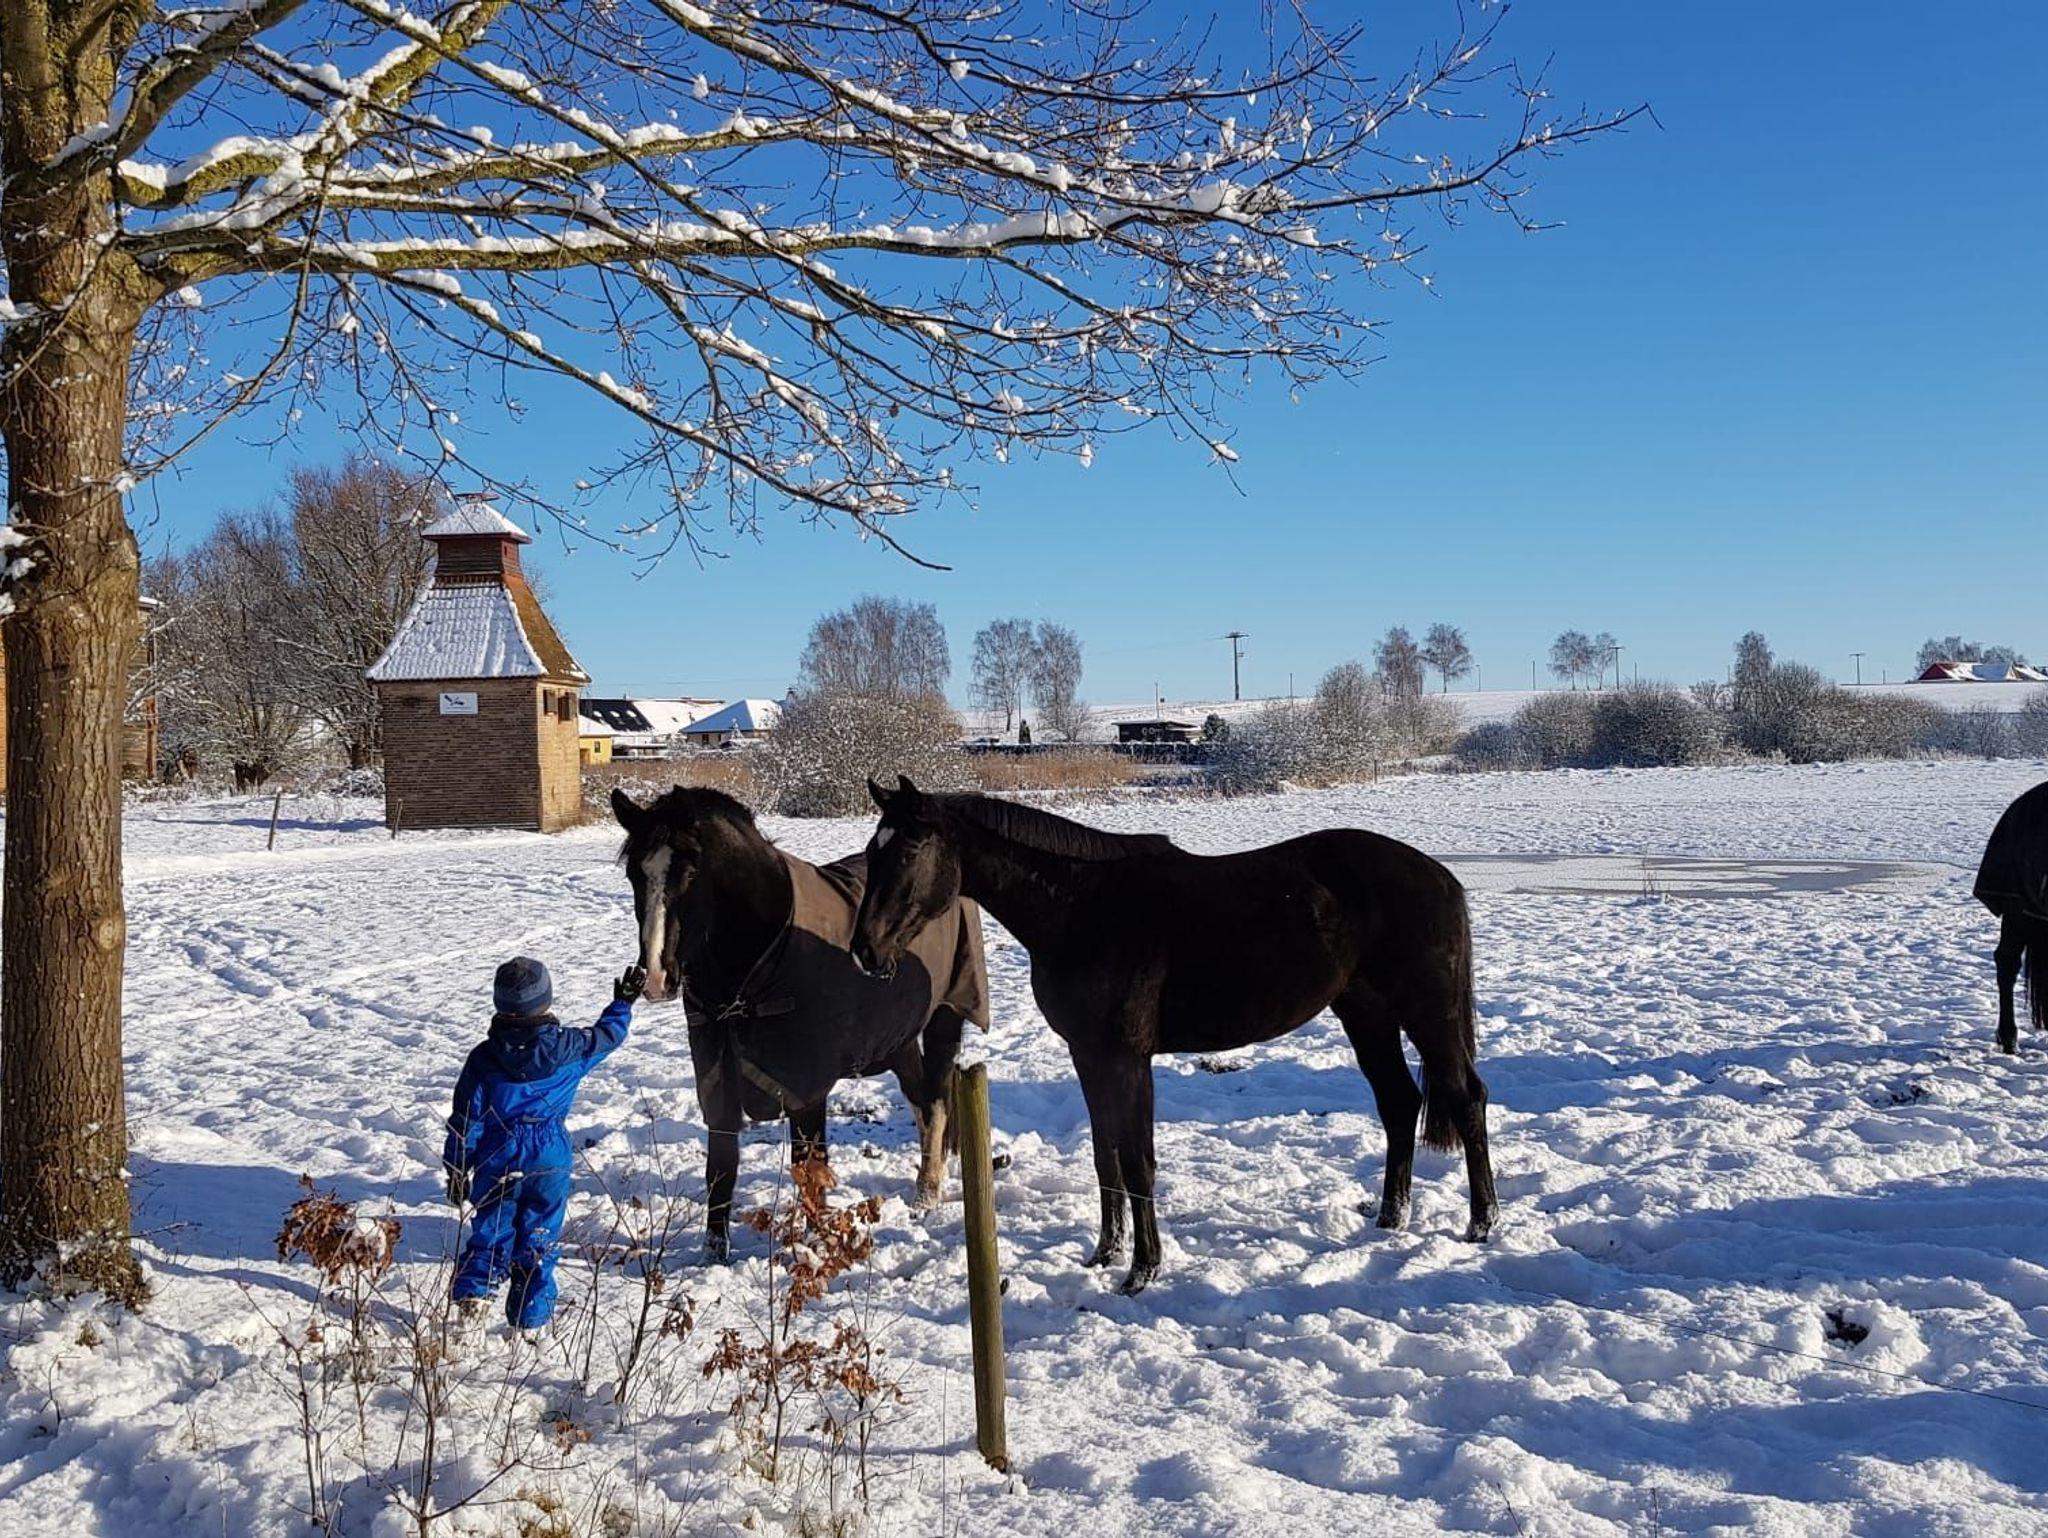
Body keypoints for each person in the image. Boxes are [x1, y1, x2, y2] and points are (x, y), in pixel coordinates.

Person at [443, 956, 644, 1331]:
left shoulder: (483, 1059)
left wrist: (457, 1169)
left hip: (497, 1154)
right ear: (545, 1001)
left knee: (491, 1233)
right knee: (540, 1237)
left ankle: (471, 1307)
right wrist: (623, 1003)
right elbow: (608, 1036)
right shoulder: (569, 1048)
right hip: (549, 1155)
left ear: (499, 1003)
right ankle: (530, 1321)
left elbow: (465, 1122)